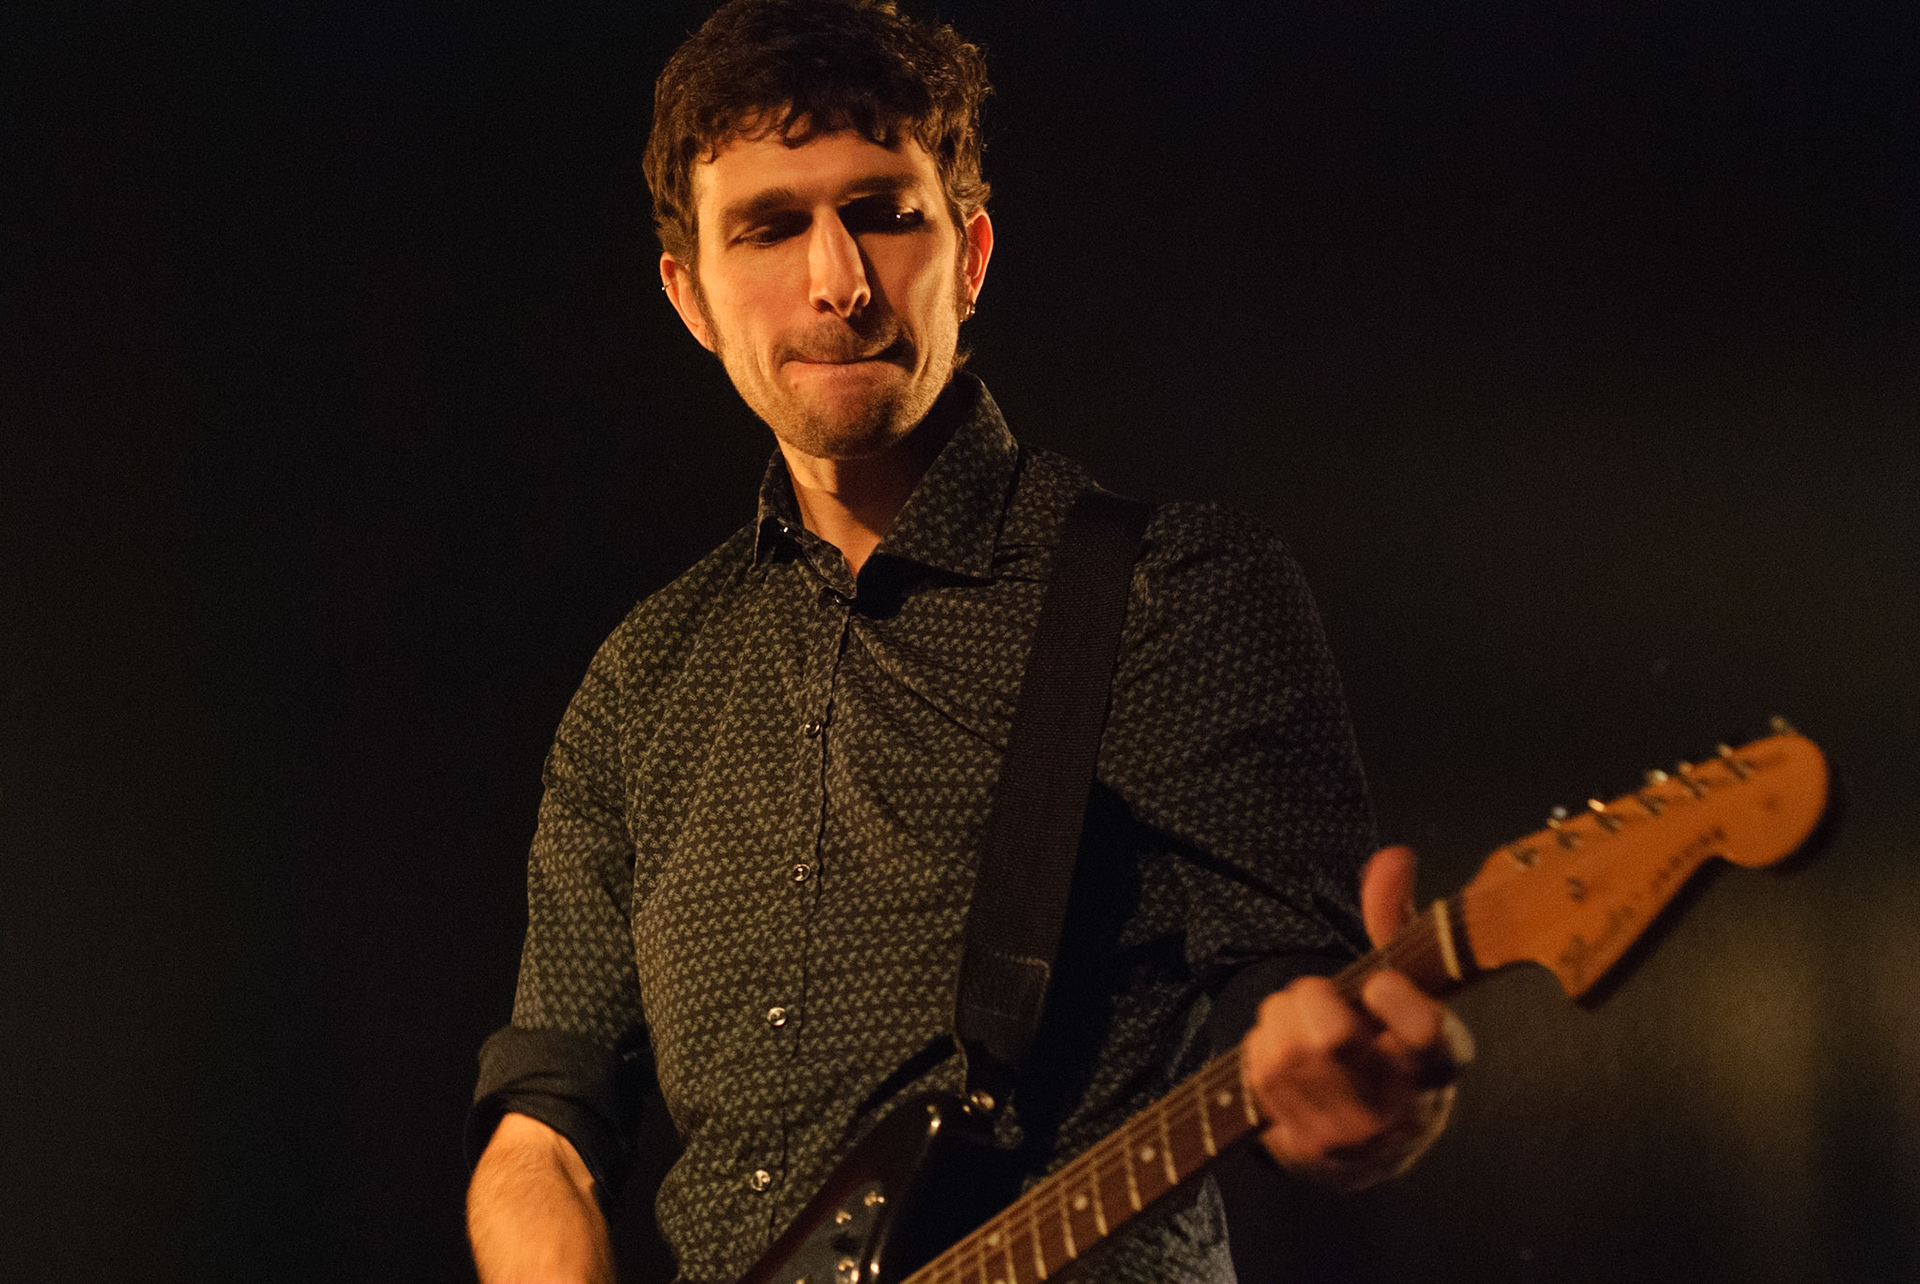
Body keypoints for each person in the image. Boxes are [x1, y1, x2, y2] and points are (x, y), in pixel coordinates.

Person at [465, 3, 1469, 1281]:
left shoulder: (1169, 587)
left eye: (885, 213)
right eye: (769, 229)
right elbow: (545, 1130)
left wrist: (1351, 1092)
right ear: (690, 297)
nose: (839, 282)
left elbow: (1298, 1010)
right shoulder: (640, 681)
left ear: (972, 253)